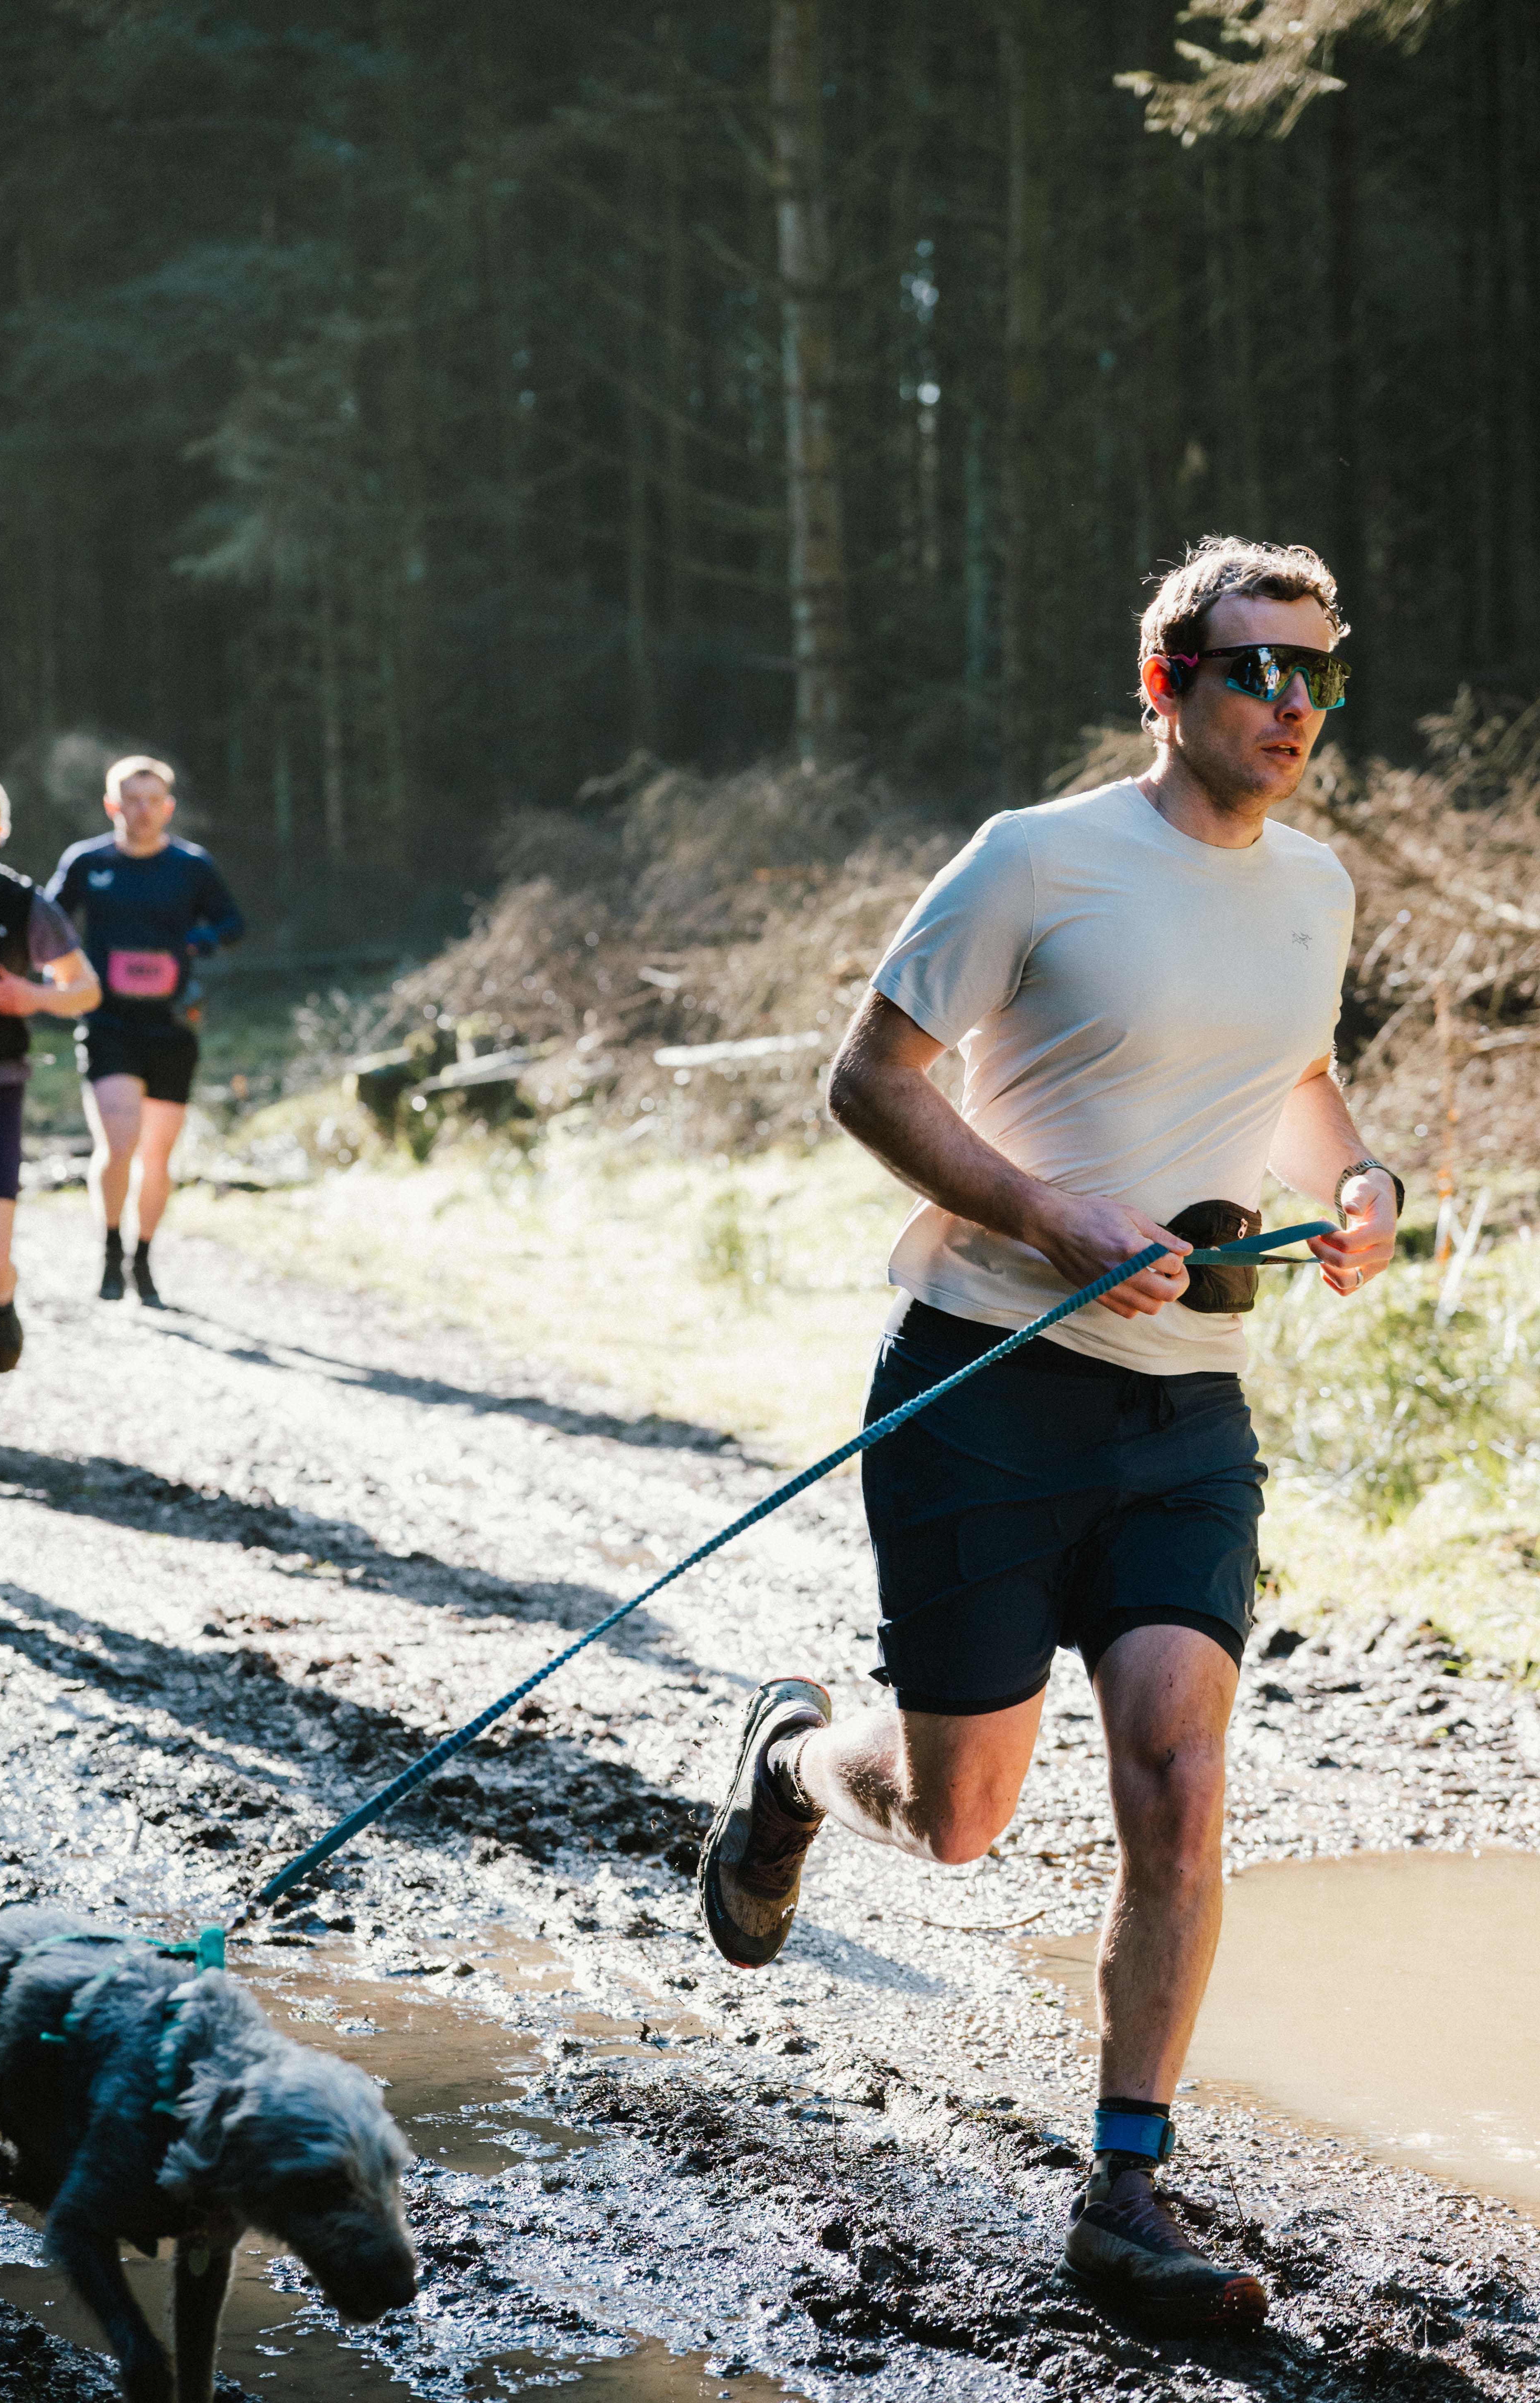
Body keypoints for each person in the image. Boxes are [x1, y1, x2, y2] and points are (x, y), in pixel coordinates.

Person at [698, 537, 1402, 2332]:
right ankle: (789, 1766)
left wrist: (1358, 1183)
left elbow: (1293, 1076)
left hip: (1187, 1412)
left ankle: (1125, 2189)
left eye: (1318, 673)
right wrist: (1049, 1218)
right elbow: (866, 1080)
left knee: (1178, 1777)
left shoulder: (1315, 886)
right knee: (957, 1822)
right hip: (981, 1382)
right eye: (1256, 669)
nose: (1293, 706)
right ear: (1164, 686)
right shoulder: (1035, 858)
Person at [0, 763, 100, 1452]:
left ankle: (2, 1302)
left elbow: (85, 990)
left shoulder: (24, 905)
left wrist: (32, 998)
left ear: (1, 830)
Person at [46, 754, 243, 1307]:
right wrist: (60, 974)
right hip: (108, 1022)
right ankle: (110, 1249)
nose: (141, 811)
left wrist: (196, 944)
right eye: (130, 800)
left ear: (167, 807)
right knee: (119, 1140)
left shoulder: (192, 866)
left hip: (171, 1025)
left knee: (157, 1157)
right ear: (113, 806)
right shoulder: (87, 864)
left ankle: (144, 1258)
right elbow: (48, 921)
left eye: (151, 801)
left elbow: (233, 924)